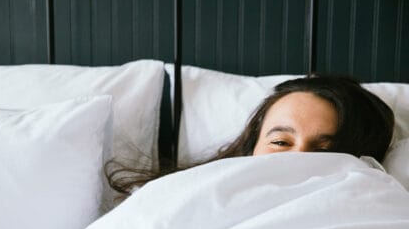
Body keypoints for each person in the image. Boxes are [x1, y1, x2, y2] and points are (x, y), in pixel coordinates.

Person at [106, 74, 394, 195]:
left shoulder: (376, 202)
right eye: (281, 142)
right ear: (252, 147)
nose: (297, 159)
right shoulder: (182, 193)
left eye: (324, 152)